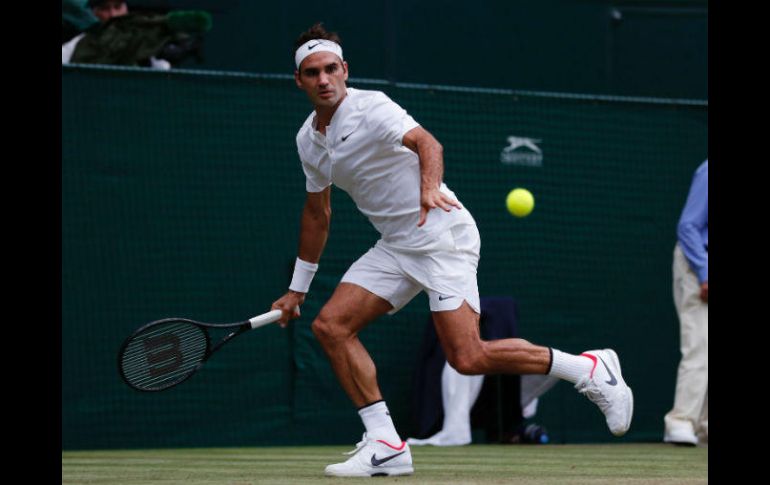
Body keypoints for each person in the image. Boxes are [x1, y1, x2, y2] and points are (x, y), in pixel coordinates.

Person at [271, 22, 634, 478]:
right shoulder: (309, 139)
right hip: (396, 245)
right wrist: (297, 289)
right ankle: (386, 444)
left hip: (442, 235)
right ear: (299, 81)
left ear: (345, 70)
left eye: (330, 69)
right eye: (311, 73)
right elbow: (317, 214)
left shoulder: (372, 107)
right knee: (331, 327)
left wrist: (427, 189)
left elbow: (427, 143)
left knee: (468, 357)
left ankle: (587, 367)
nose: (323, 80)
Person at [663, 160, 708, 446]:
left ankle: (704, 427)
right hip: (698, 262)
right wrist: (705, 272)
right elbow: (688, 225)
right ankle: (680, 422)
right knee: (699, 345)